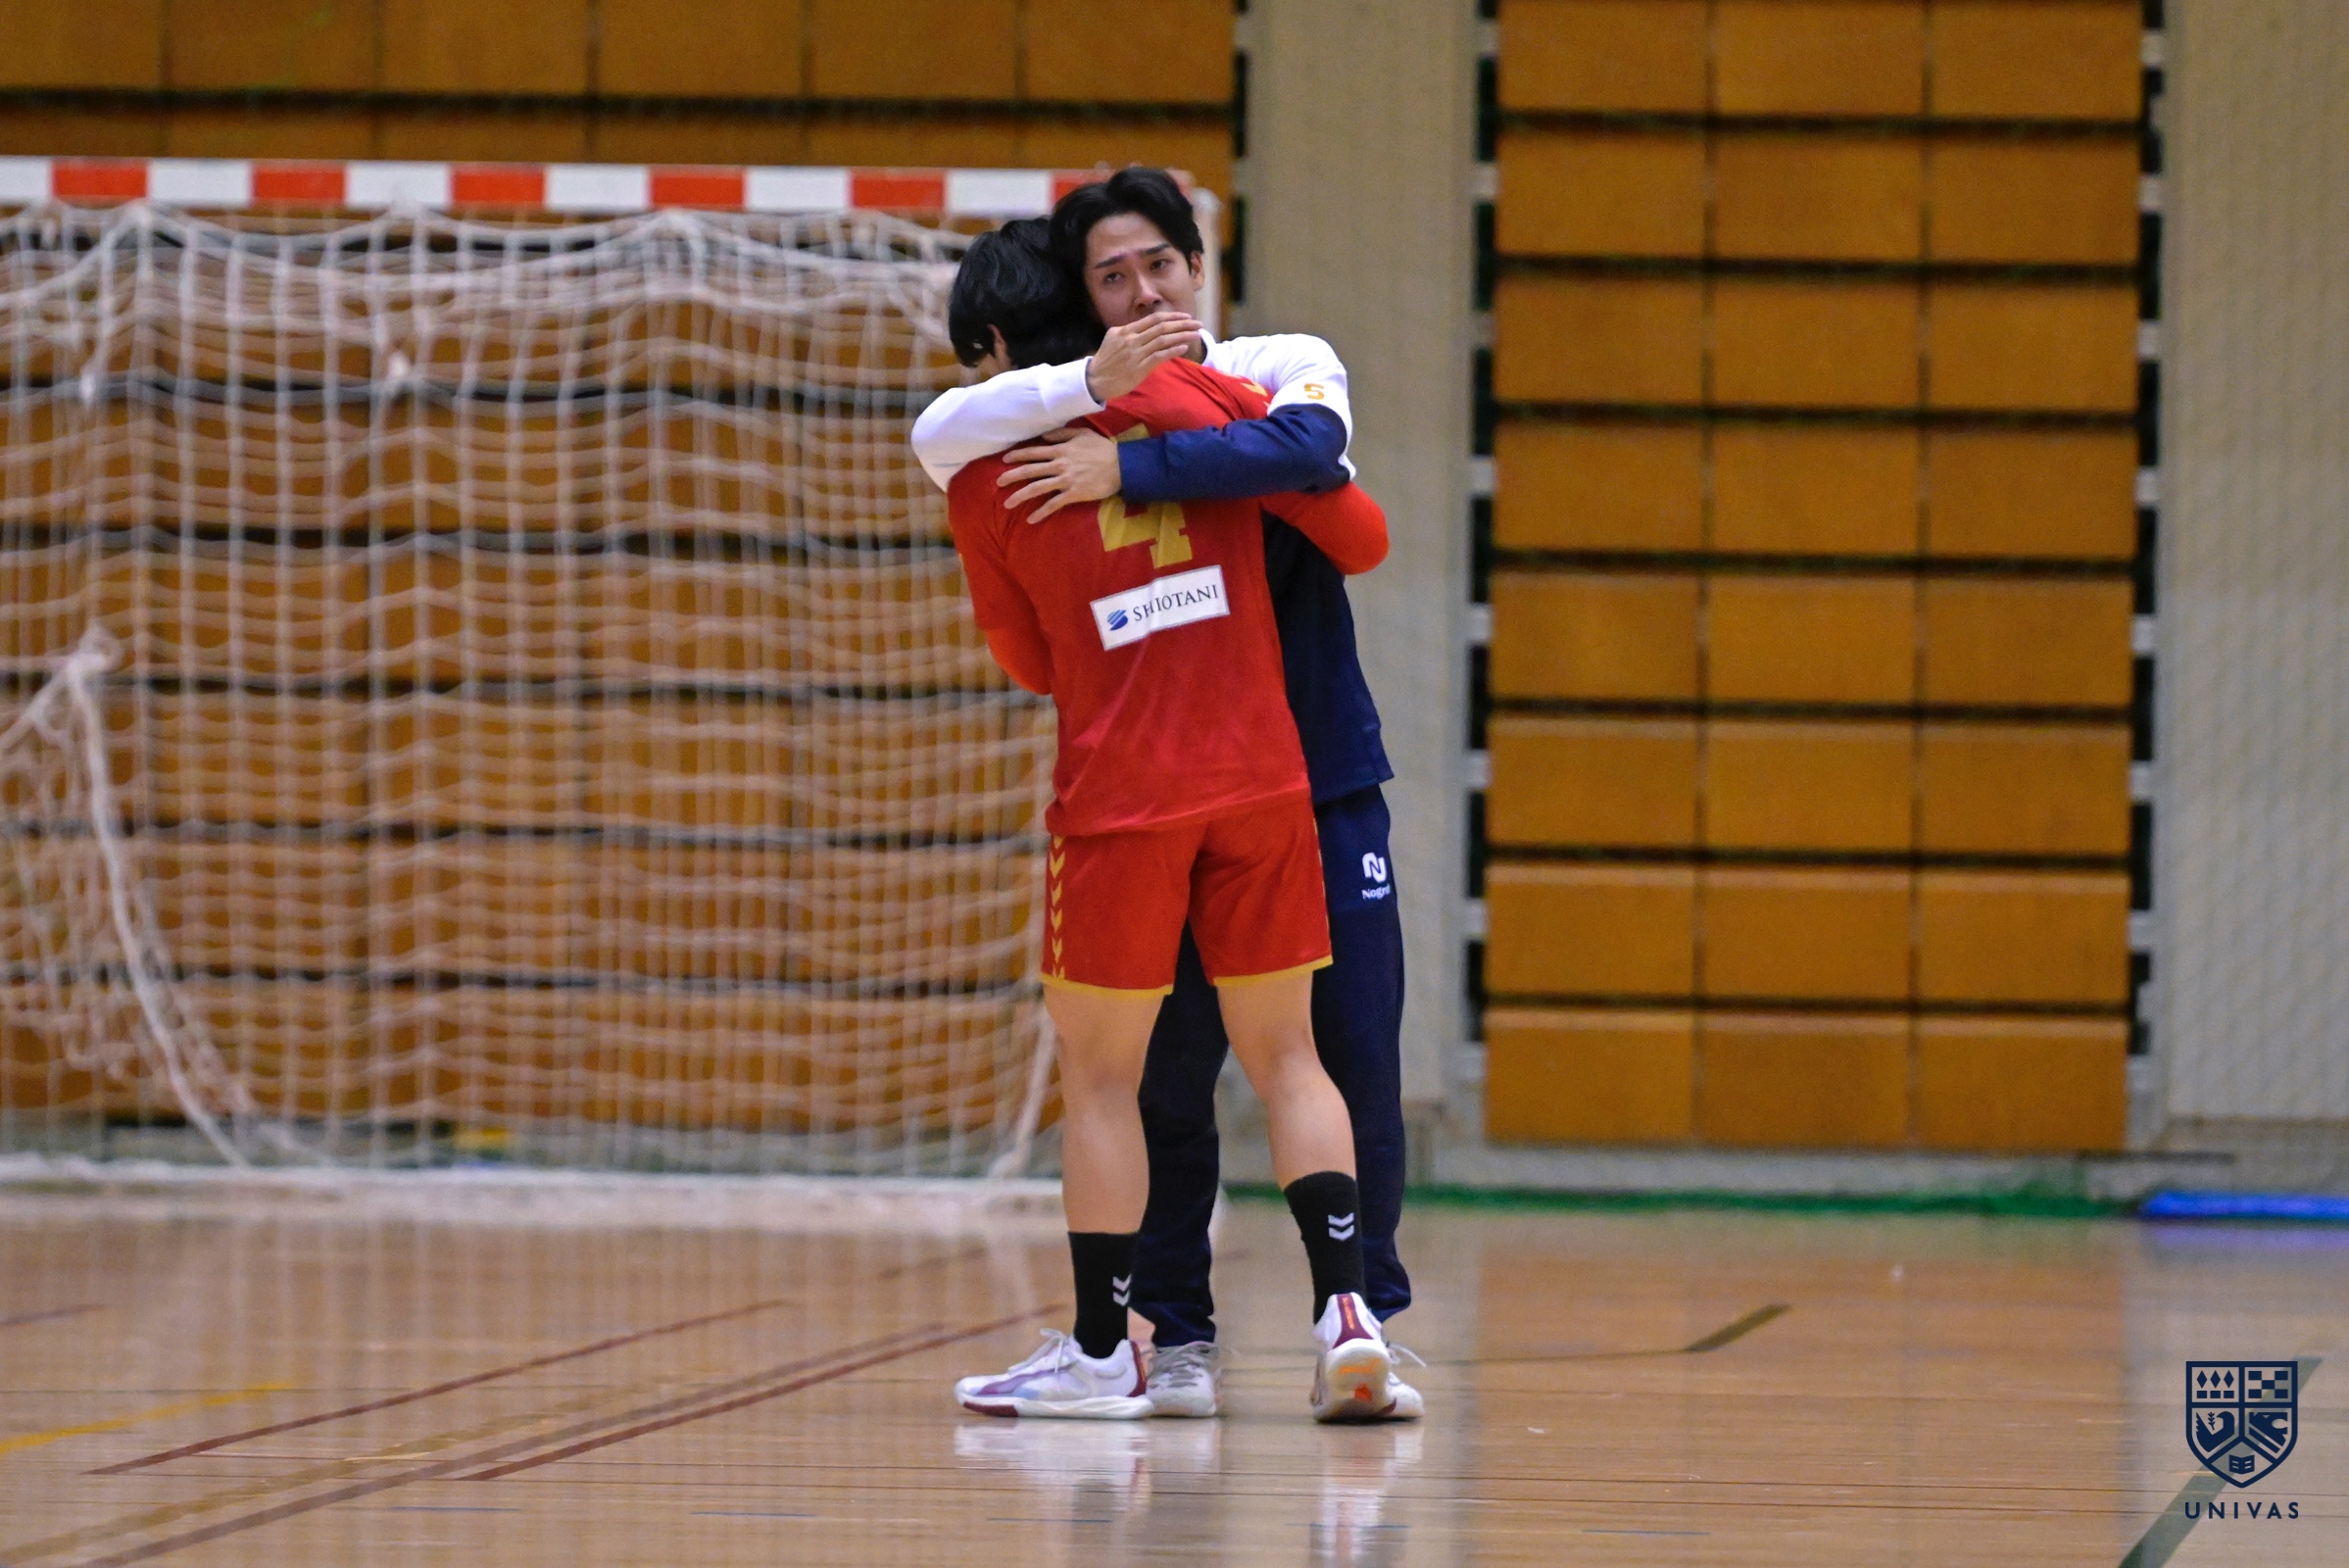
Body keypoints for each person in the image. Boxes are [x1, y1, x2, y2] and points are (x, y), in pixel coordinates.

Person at [912, 171, 1418, 1423]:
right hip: (1263, 781)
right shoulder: (1216, 404)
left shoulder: (981, 475)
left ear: (994, 343)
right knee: (1294, 1056)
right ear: (1084, 305)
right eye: (1113, 277)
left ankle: (1108, 1349)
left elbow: (1028, 662)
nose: (1142, 293)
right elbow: (1358, 529)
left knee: (1108, 1081)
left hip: (1125, 799)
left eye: (1157, 267)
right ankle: (1346, 1314)